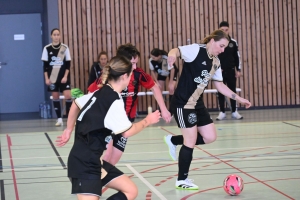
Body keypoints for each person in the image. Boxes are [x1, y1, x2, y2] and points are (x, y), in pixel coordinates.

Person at [56, 55, 161, 200]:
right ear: (124, 76)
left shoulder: (99, 92)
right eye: (131, 74)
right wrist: (147, 121)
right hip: (84, 164)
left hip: (94, 161)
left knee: (130, 190)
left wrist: (68, 129)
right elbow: (127, 132)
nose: (131, 78)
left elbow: (75, 104)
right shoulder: (114, 100)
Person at [165, 29, 251, 190]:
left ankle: (174, 140)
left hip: (197, 104)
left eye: (225, 47)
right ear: (212, 41)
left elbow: (220, 86)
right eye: (221, 45)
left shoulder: (216, 62)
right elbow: (176, 50)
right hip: (183, 103)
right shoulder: (197, 50)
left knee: (210, 136)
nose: (223, 49)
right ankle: (181, 180)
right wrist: (171, 55)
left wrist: (238, 98)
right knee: (189, 141)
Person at [88, 43, 172, 165]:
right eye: (132, 63)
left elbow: (154, 87)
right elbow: (91, 91)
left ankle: (102, 181)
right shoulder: (110, 75)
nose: (135, 66)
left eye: (136, 63)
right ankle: (94, 181)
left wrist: (164, 109)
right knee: (106, 154)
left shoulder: (138, 74)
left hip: (126, 122)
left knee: (113, 161)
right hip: (108, 121)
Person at [41, 28, 72, 126]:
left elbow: (68, 64)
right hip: (52, 77)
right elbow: (45, 66)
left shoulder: (64, 48)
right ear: (51, 36)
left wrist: (65, 76)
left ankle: (70, 119)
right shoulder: (47, 48)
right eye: (54, 34)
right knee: (55, 97)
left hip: (63, 77)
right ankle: (59, 119)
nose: (56, 36)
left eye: (58, 34)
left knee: (68, 96)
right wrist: (46, 78)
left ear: (60, 36)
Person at [216, 21, 243, 120]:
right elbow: (213, 56)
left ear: (229, 30)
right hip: (219, 72)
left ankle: (234, 111)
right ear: (219, 30)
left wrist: (238, 69)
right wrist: (216, 69)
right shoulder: (216, 42)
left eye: (226, 30)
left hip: (231, 70)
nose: (224, 31)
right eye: (222, 30)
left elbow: (237, 57)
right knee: (220, 92)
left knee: (232, 91)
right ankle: (222, 111)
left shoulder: (233, 42)